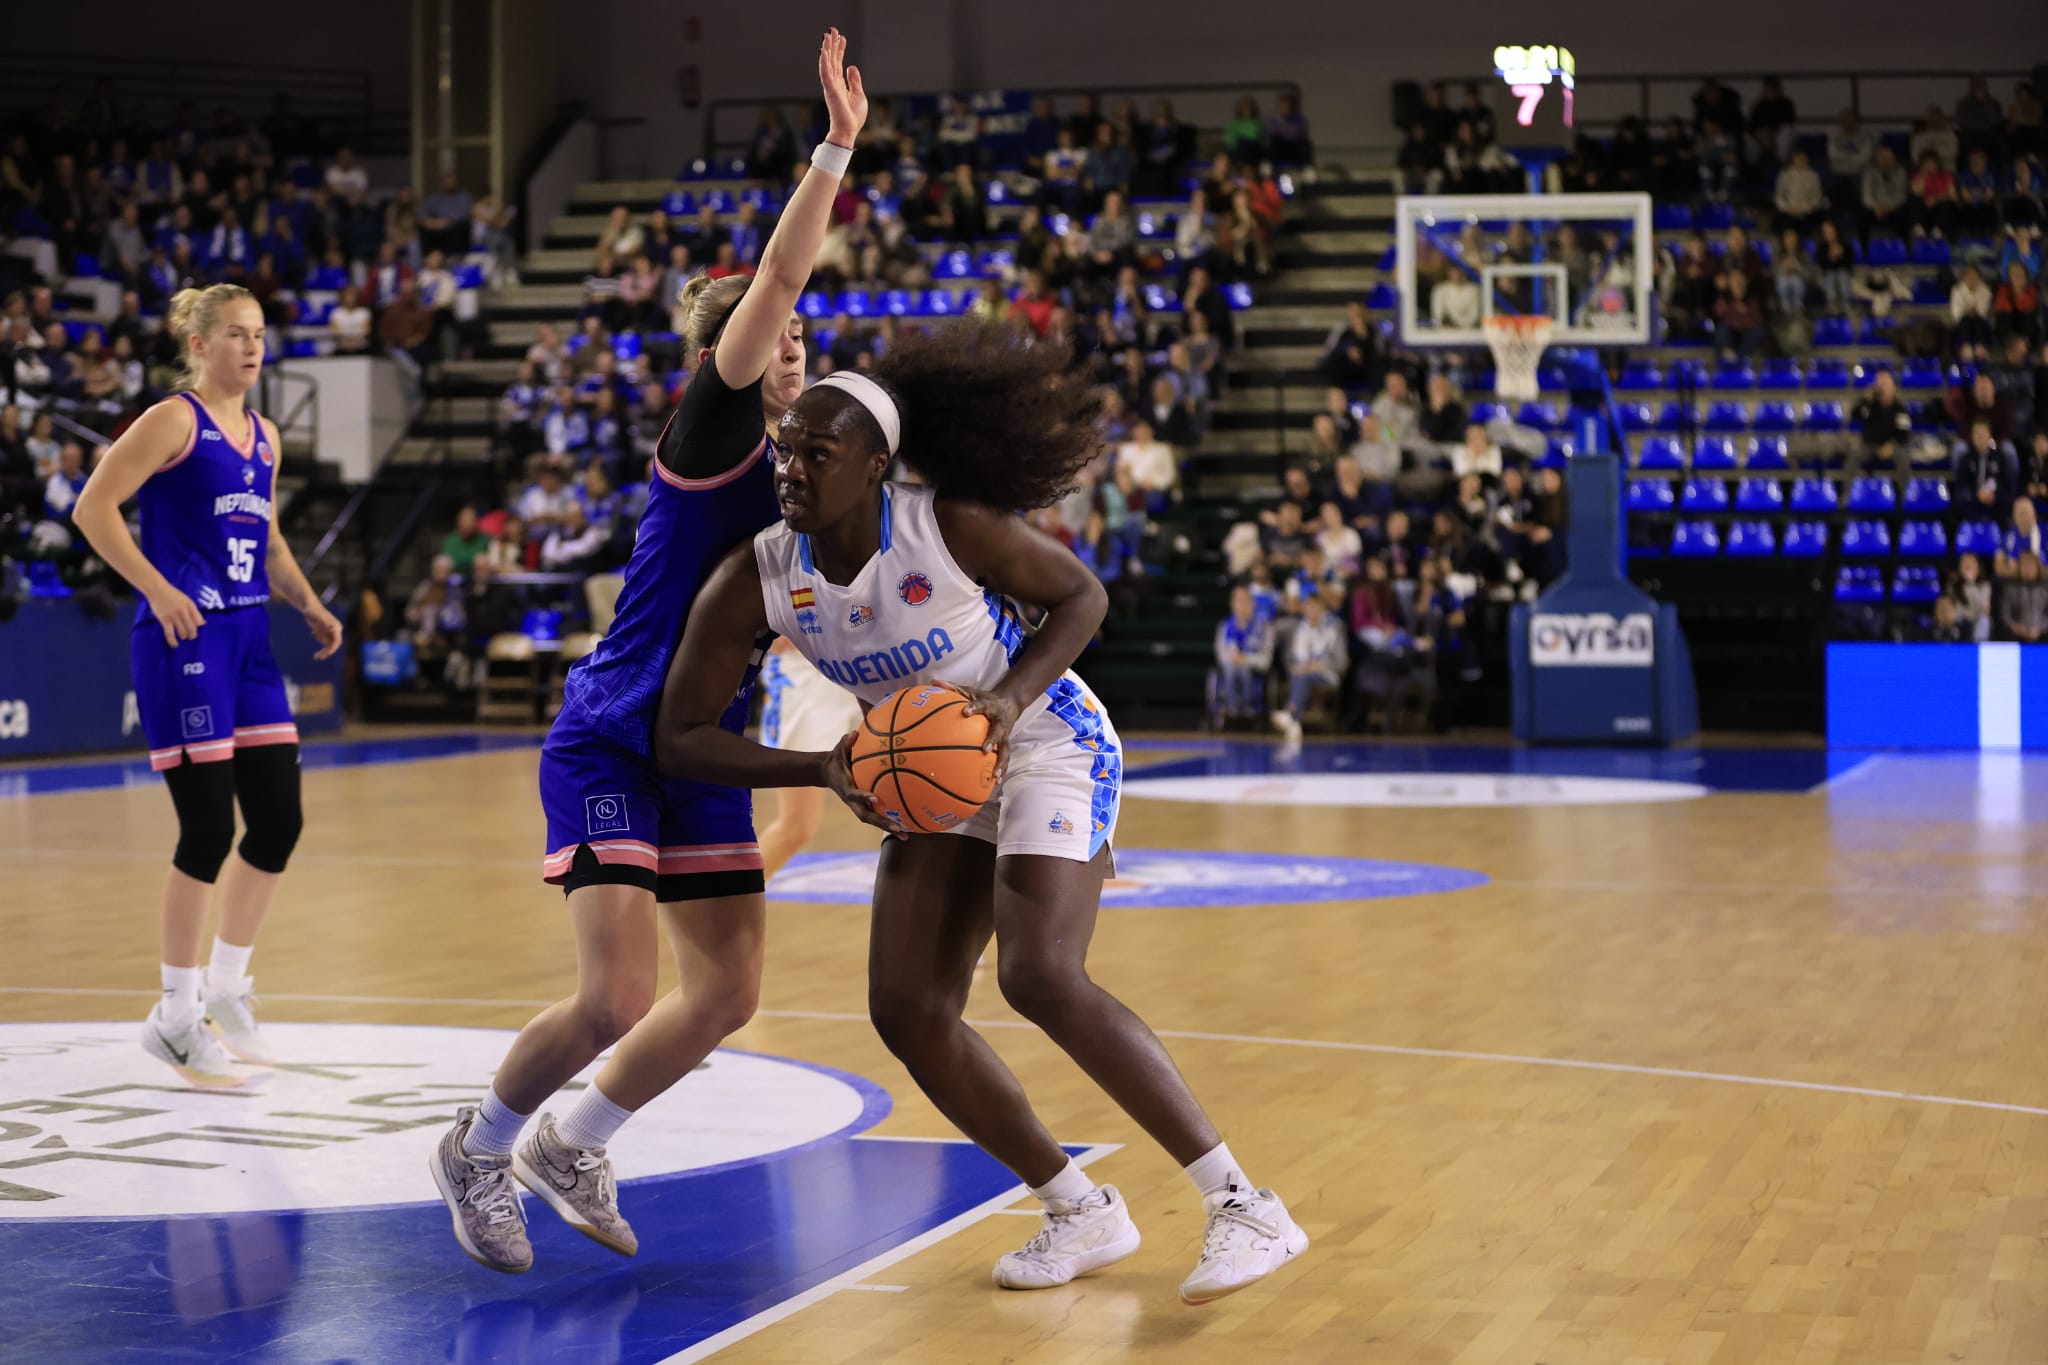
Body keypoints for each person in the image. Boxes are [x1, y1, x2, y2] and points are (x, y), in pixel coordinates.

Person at [654, 323, 1309, 1305]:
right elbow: (681, 733)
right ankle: (1077, 1209)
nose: (790, 466)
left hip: (1043, 738)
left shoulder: (946, 524)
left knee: (1040, 971)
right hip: (930, 770)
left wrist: (1003, 701)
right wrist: (823, 770)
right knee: (907, 1009)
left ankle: (1242, 1204)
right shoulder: (762, 572)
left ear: (877, 465)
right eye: (786, 449)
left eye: (815, 453)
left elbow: (1080, 598)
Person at [426, 29, 868, 1275]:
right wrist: (834, 147)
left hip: (704, 744)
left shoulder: (806, 485)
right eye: (770, 334)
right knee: (615, 996)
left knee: (725, 996)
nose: (791, 342)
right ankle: (478, 1145)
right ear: (728, 356)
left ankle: (573, 1141)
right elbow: (776, 285)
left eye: (794, 336)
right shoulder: (711, 437)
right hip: (615, 732)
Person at [67, 284, 343, 1089]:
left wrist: (310, 602)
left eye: (259, 334)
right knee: (204, 831)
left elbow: (271, 538)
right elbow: (95, 508)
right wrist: (156, 586)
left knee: (278, 821)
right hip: (186, 639)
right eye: (234, 333)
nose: (252, 348)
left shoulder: (264, 435)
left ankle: (227, 990)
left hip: (251, 637)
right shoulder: (173, 419)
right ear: (199, 342)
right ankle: (176, 1015)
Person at [755, 638, 864, 881]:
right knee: (797, 826)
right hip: (807, 663)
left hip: (876, 650)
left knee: (909, 803)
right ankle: (725, 910)